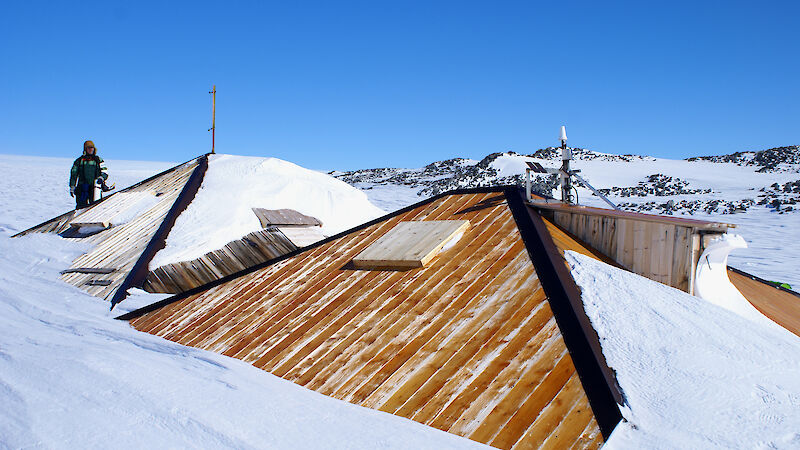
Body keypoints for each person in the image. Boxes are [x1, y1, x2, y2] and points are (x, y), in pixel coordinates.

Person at [69, 140, 109, 209]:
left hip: (95, 188)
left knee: (96, 207)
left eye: (92, 148)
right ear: (85, 149)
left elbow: (105, 171)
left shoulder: (98, 160)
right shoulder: (79, 161)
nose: (90, 149)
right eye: (88, 148)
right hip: (82, 188)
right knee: (81, 208)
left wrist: (101, 178)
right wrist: (72, 186)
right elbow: (74, 174)